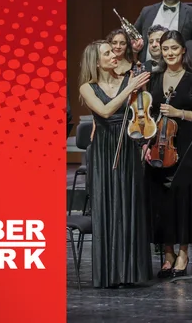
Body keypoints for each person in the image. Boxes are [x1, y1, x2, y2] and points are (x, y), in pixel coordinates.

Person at [77, 40, 153, 288]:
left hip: (128, 145)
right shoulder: (87, 88)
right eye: (107, 53)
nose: (114, 55)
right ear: (96, 61)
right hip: (103, 150)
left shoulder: (128, 78)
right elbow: (106, 111)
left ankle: (130, 272)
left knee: (128, 204)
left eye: (114, 51)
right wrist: (128, 87)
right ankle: (109, 273)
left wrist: (133, 84)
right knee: (107, 205)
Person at [144, 30, 192, 279]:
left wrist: (179, 113)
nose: (170, 53)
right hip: (156, 146)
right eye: (165, 49)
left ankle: (183, 252)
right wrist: (145, 139)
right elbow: (146, 113)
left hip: (185, 146)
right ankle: (168, 253)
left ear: (183, 50)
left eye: (174, 48)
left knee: (183, 200)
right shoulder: (153, 79)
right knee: (161, 201)